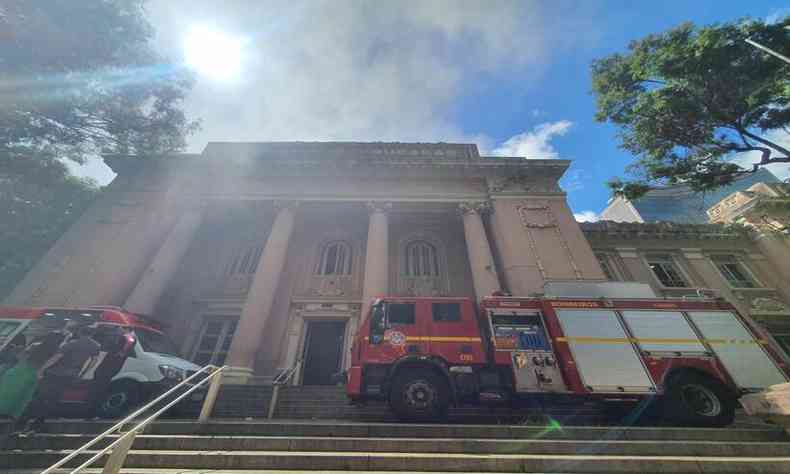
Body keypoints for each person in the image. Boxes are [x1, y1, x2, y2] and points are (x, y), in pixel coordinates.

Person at [26, 325, 100, 431]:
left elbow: (57, 357)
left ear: (80, 332)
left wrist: (42, 369)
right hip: (71, 374)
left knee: (41, 395)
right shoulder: (96, 346)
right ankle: (40, 421)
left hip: (55, 372)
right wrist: (83, 373)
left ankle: (27, 419)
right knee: (55, 397)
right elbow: (94, 361)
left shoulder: (72, 343)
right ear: (92, 334)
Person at [88, 326, 136, 417]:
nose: (119, 329)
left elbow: (126, 346)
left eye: (121, 328)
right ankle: (93, 410)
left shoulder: (128, 337)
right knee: (101, 386)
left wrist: (120, 352)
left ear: (127, 329)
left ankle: (92, 410)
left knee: (98, 387)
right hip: (113, 367)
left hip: (109, 366)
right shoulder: (130, 337)